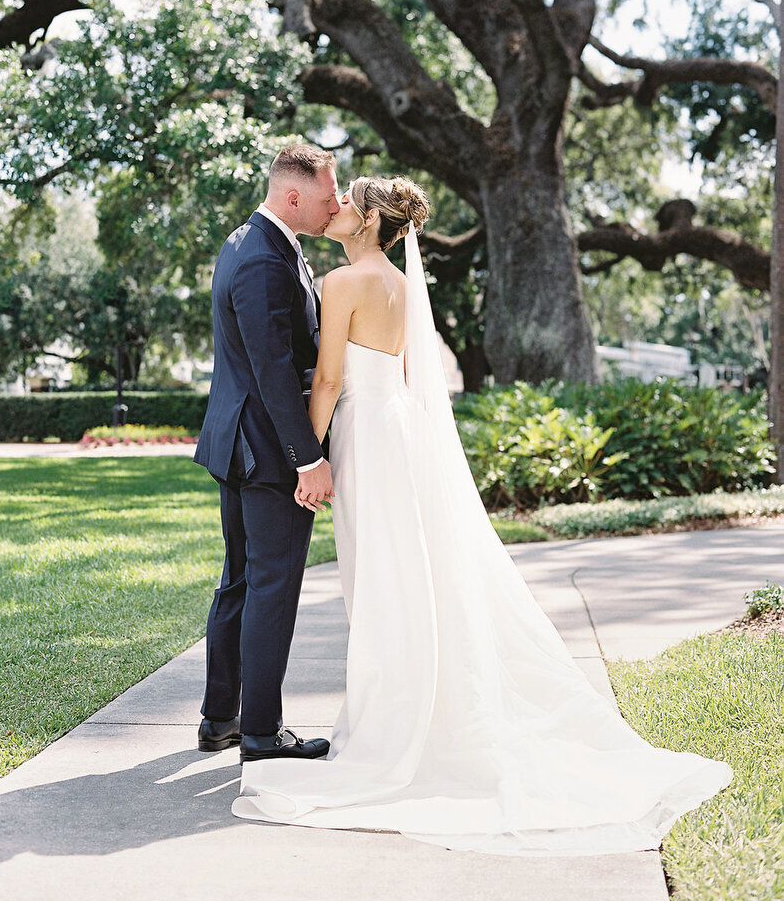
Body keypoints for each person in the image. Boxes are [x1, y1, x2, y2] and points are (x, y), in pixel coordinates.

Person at [230, 175, 733, 855]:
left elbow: (326, 381)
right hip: (397, 436)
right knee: (410, 576)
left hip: (365, 440)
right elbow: (405, 379)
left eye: (351, 200)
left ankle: (392, 726)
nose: (339, 205)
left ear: (374, 220)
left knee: (380, 583)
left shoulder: (344, 284)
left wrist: (307, 463)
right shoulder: (405, 289)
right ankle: (411, 705)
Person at [193, 143, 340, 764]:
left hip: (239, 444)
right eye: (330, 194)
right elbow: (273, 370)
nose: (338, 204)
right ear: (295, 196)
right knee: (270, 587)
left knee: (243, 582)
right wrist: (307, 458)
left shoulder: (253, 242)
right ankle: (260, 731)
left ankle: (220, 720)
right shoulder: (261, 260)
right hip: (266, 453)